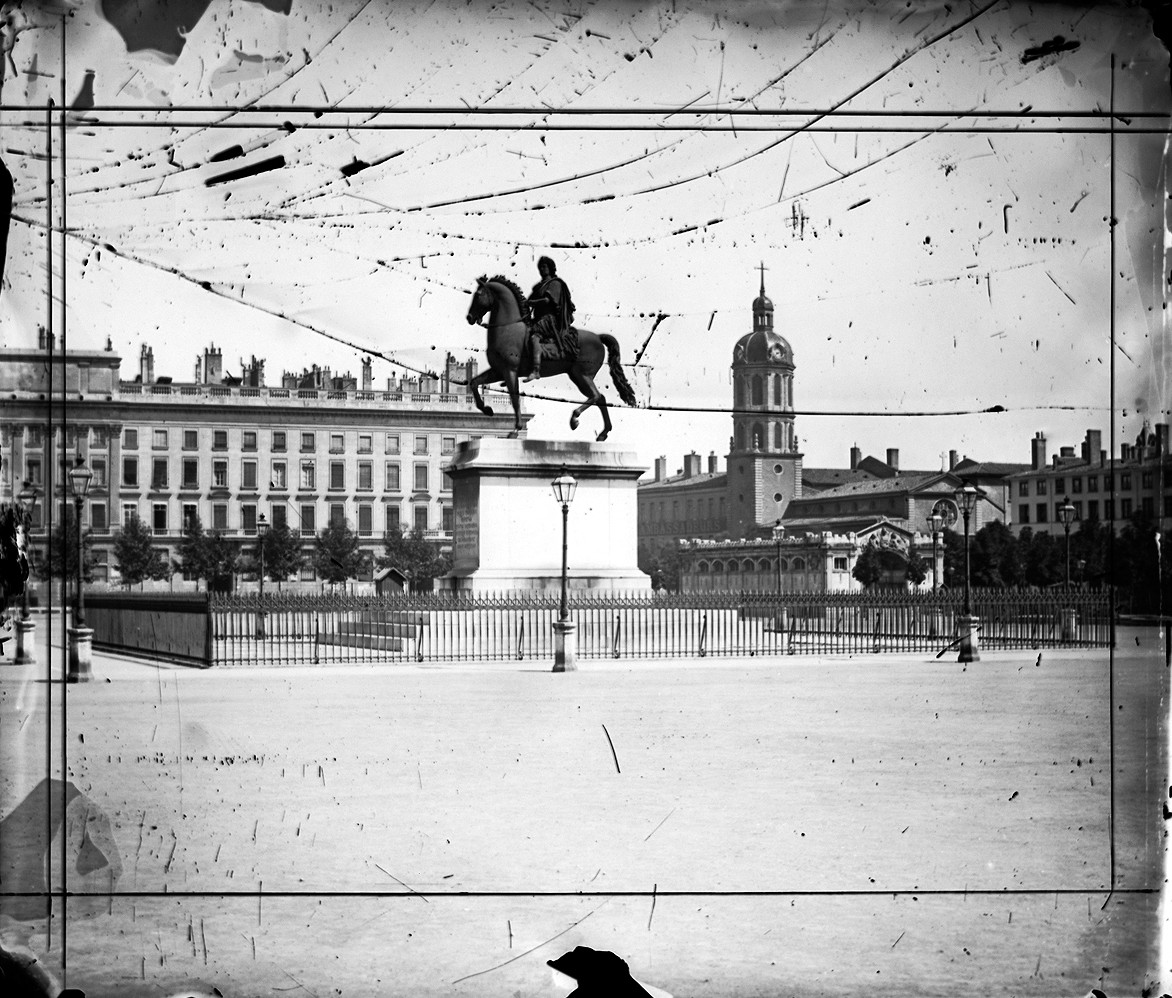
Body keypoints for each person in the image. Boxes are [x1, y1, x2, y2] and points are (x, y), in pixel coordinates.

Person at [524, 256, 576, 381]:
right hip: (537, 319)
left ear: (550, 268)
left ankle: (536, 370)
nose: (542, 269)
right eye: (540, 267)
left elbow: (547, 300)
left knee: (534, 337)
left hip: (549, 320)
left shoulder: (555, 283)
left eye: (544, 266)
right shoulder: (538, 286)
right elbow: (527, 301)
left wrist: (532, 303)